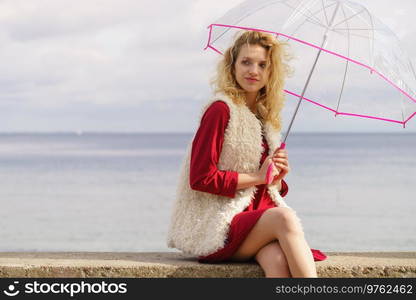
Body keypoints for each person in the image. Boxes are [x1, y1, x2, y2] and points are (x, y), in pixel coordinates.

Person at [167, 30, 326, 278]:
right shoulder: (220, 110)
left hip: (256, 225)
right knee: (285, 218)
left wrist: (277, 178)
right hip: (220, 227)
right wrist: (258, 177)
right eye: (246, 62)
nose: (254, 70)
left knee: (277, 262)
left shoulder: (265, 118)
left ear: (271, 72)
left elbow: (266, 189)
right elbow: (201, 178)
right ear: (232, 66)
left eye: (263, 64)